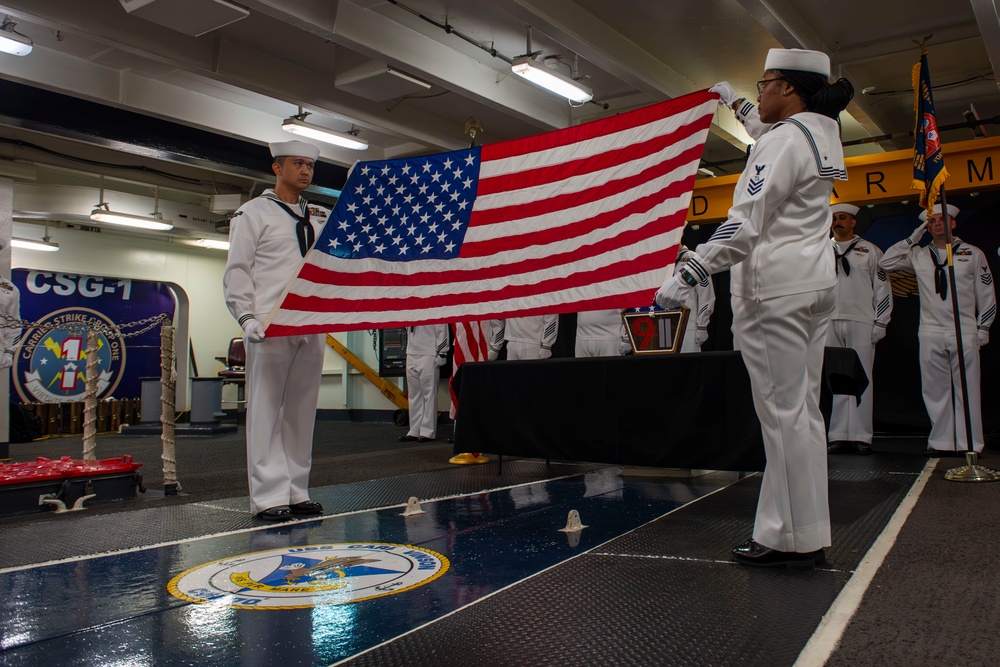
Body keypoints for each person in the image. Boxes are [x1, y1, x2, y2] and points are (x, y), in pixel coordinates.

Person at [657, 49, 854, 568]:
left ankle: (787, 539)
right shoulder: (819, 130)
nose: (759, 92)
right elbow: (767, 131)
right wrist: (735, 103)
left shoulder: (783, 141)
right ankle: (806, 531)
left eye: (764, 83)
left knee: (781, 417)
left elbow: (744, 223)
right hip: (811, 288)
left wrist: (690, 271)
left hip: (773, 294)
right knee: (803, 414)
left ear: (788, 88)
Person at [223, 140, 330, 522]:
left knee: (301, 410)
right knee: (267, 409)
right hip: (269, 323)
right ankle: (268, 496)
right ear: (277, 168)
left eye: (310, 166)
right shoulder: (252, 213)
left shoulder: (319, 216)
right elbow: (238, 269)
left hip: (312, 321)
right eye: (297, 164)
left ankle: (296, 489)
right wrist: (246, 316)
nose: (305, 171)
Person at [879, 204, 995, 457]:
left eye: (942, 219)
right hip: (930, 330)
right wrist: (914, 237)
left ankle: (969, 443)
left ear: (953, 224)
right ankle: (942, 441)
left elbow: (986, 294)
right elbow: (886, 262)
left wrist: (983, 327)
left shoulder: (972, 254)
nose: (937, 224)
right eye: (931, 221)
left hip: (962, 329)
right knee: (935, 389)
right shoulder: (919, 254)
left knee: (967, 389)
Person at [826, 203, 893, 455]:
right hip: (830, 320)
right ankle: (838, 434)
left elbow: (883, 289)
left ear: (853, 222)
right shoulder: (822, 250)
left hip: (861, 319)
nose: (837, 222)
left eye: (842, 218)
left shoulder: (870, 250)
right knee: (837, 377)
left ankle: (861, 435)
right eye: (834, 218)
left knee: (862, 376)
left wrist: (881, 321)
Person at [399, 324, 449, 443]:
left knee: (429, 394)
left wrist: (442, 352)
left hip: (429, 352)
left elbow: (442, 327)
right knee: (414, 394)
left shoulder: (434, 307)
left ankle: (427, 431)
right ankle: (414, 430)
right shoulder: (410, 308)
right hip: (411, 352)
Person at [673, 245, 716, 352]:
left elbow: (706, 294)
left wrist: (702, 325)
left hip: (687, 325)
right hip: (659, 325)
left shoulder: (692, 259)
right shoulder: (656, 260)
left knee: (687, 366)